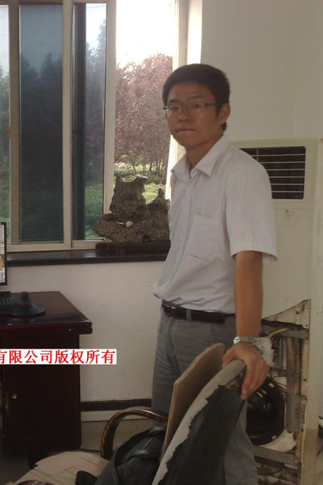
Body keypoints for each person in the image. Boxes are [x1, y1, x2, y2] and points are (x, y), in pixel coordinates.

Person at [152, 64, 277, 484]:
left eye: (196, 105)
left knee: (222, 441)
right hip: (171, 321)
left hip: (212, 331)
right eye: (173, 107)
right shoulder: (181, 175)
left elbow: (249, 261)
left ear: (223, 112)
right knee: (170, 433)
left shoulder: (241, 174)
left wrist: (247, 342)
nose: (182, 116)